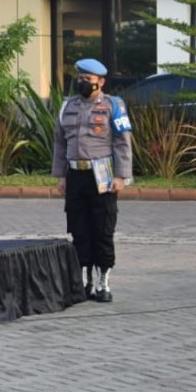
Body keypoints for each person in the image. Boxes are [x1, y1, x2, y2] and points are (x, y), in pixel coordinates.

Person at [52, 58, 133, 303]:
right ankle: (84, 281)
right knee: (79, 229)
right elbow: (60, 142)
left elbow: (122, 141)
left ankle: (103, 282)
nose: (83, 83)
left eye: (88, 79)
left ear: (101, 82)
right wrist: (60, 176)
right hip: (76, 174)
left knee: (102, 229)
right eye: (80, 78)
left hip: (103, 175)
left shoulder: (113, 105)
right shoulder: (68, 106)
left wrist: (121, 176)